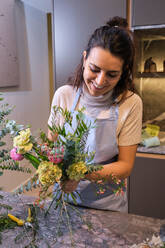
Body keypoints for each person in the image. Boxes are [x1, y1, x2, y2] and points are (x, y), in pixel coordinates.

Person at [48, 16, 142, 212]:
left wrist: (81, 173)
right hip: (64, 200)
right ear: (84, 59)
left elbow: (125, 165)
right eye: (94, 69)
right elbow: (52, 145)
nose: (100, 81)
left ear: (124, 71)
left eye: (111, 74)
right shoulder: (64, 95)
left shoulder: (131, 103)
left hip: (107, 204)